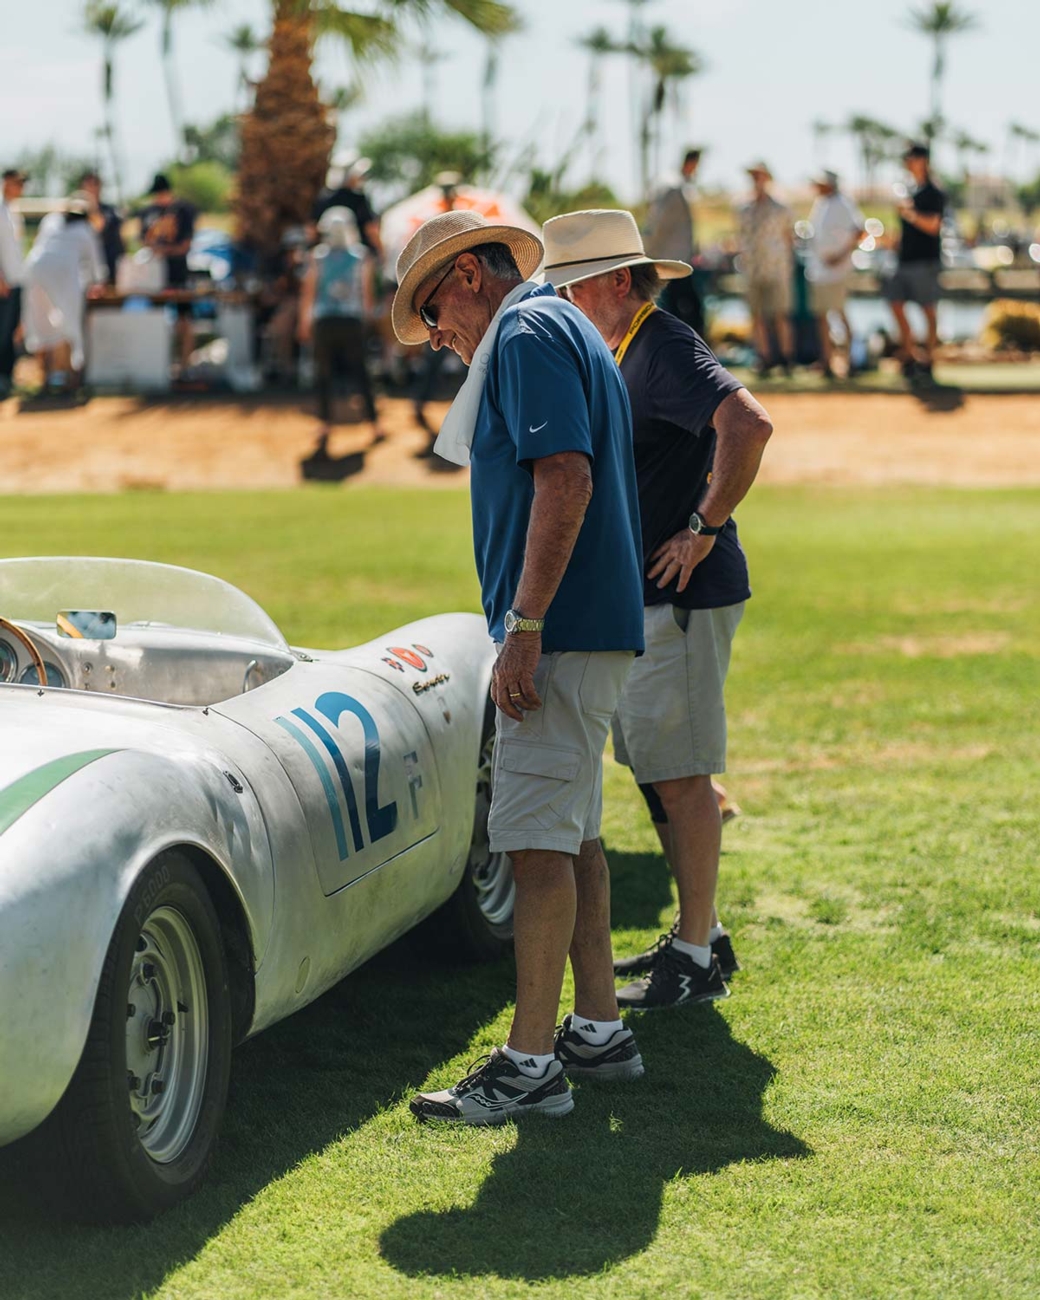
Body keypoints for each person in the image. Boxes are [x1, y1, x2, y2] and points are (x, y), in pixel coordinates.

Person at [391, 210, 646, 1123]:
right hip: (590, 626)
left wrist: (526, 624)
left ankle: (531, 1063)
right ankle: (599, 1026)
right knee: (571, 835)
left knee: (535, 845)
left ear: (465, 276)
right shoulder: (563, 323)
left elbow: (564, 477)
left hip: (563, 630)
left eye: (432, 313)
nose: (438, 337)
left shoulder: (530, 330)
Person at [543, 208, 773, 1010]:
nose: (561, 303)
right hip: (651, 597)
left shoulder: (663, 344)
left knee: (679, 778)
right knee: (661, 774)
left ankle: (697, 951)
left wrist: (702, 530)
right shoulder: (624, 346)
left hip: (679, 597)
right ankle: (697, 936)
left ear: (611, 281)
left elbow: (749, 422)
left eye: (567, 287)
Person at [297, 206, 384, 449]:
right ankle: (374, 424)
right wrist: (368, 318)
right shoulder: (360, 256)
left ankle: (325, 423)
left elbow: (309, 292)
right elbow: (366, 292)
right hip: (351, 320)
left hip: (324, 321)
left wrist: (304, 322)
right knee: (360, 371)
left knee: (323, 372)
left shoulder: (317, 256)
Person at [22, 196, 105, 391]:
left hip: (35, 269)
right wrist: (99, 282)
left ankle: (46, 377)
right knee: (70, 323)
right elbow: (96, 263)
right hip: (63, 274)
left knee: (40, 323)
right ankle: (70, 377)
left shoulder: (50, 220)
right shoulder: (85, 229)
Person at [882, 143, 946, 383]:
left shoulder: (933, 192)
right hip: (903, 260)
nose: (908, 162)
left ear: (923, 160)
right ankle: (909, 355)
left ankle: (929, 359)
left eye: (912, 157)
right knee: (895, 303)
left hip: (925, 261)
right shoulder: (910, 190)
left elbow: (933, 226)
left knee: (928, 310)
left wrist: (909, 213)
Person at [806, 169, 865, 379]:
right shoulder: (820, 204)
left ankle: (851, 361)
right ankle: (828, 361)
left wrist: (839, 257)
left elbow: (859, 231)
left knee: (840, 314)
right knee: (822, 317)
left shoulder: (844, 203)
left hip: (837, 271)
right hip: (819, 271)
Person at [737, 161, 795, 376]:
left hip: (777, 269)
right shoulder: (744, 208)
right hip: (753, 269)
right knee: (757, 315)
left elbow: (789, 238)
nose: (756, 180)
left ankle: (787, 358)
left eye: (759, 175)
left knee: (780, 315)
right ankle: (764, 357)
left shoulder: (781, 207)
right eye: (753, 176)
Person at [138, 172, 196, 373]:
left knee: (184, 319)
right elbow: (143, 240)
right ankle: (157, 364)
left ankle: (185, 366)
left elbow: (185, 245)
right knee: (154, 318)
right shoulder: (148, 211)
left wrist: (165, 250)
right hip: (154, 274)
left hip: (178, 272)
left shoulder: (183, 210)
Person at [644, 146, 705, 336]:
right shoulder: (673, 187)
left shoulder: (677, 185)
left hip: (677, 256)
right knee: (683, 308)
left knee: (683, 306)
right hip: (672, 259)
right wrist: (650, 251)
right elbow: (657, 224)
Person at [312, 153, 382, 257]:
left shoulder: (325, 197)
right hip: (358, 259)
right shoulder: (359, 199)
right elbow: (370, 229)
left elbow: (312, 229)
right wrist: (381, 251)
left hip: (326, 258)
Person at [0, 167, 28, 399]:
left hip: (16, 279)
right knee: (2, 331)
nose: (20, 188)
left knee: (10, 332)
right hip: (5, 282)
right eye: (17, 182)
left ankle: (7, 377)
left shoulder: (13, 210)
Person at [79, 170, 124, 286]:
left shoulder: (110, 210)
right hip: (86, 269)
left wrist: (92, 207)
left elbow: (100, 227)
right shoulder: (77, 214)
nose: (92, 189)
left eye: (95, 184)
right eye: (88, 185)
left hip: (110, 266)